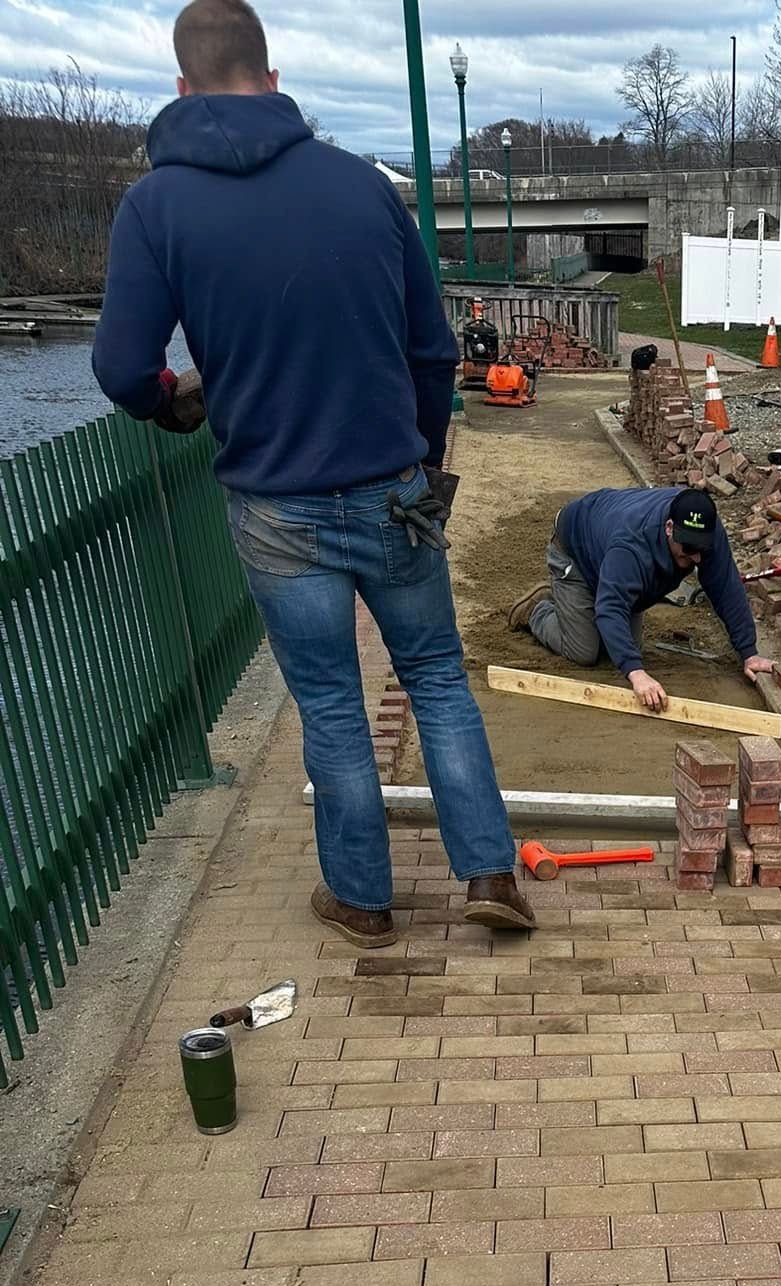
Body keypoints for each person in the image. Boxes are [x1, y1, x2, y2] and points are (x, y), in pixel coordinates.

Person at [92, 0, 534, 947]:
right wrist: (423, 453)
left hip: (275, 506)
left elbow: (123, 369)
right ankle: (492, 872)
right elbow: (428, 346)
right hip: (392, 487)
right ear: (274, 77)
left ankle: (364, 901)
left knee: (331, 700)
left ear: (180, 88)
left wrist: (176, 402)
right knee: (436, 679)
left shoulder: (155, 206)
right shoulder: (363, 187)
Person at [509, 486, 775, 710]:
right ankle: (538, 609)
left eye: (701, 551)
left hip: (611, 557)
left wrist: (748, 652)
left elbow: (726, 586)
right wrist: (637, 675)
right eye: (687, 550)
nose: (696, 559)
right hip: (575, 553)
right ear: (669, 527)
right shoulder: (632, 543)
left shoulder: (706, 531)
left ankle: (578, 610)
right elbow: (611, 608)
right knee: (585, 651)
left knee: (623, 648)